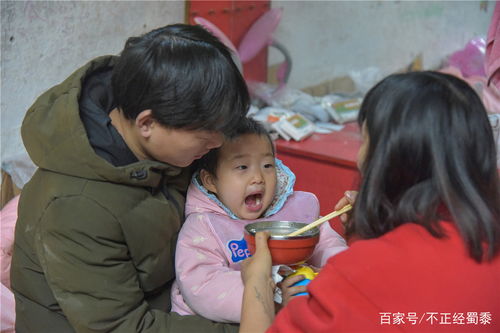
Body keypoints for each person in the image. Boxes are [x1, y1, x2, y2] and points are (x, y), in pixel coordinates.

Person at [10, 24, 250, 332]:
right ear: (147, 123)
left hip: (177, 304)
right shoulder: (76, 207)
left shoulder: (165, 142)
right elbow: (122, 327)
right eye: (206, 134)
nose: (217, 144)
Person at [240, 71, 500, 333]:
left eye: (364, 139)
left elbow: (380, 288)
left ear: (387, 157)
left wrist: (256, 283)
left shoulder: (361, 275)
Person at [170, 118, 347, 323]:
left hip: (296, 307)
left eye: (267, 165)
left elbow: (326, 242)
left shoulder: (294, 211)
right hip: (221, 324)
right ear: (211, 181)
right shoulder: (204, 227)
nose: (258, 177)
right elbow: (203, 285)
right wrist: (272, 297)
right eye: (242, 166)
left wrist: (337, 271)